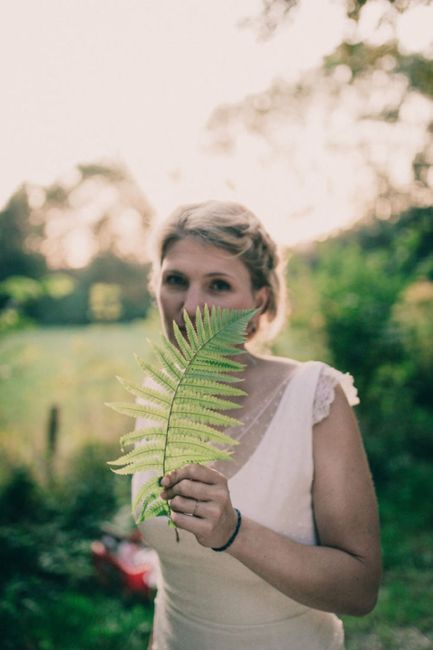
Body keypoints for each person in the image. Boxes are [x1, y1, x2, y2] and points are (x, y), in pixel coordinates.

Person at [132, 200, 381, 650]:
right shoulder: (157, 395)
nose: (190, 306)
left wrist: (234, 531)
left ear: (258, 300)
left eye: (219, 285)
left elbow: (359, 589)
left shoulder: (314, 398)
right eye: (175, 280)